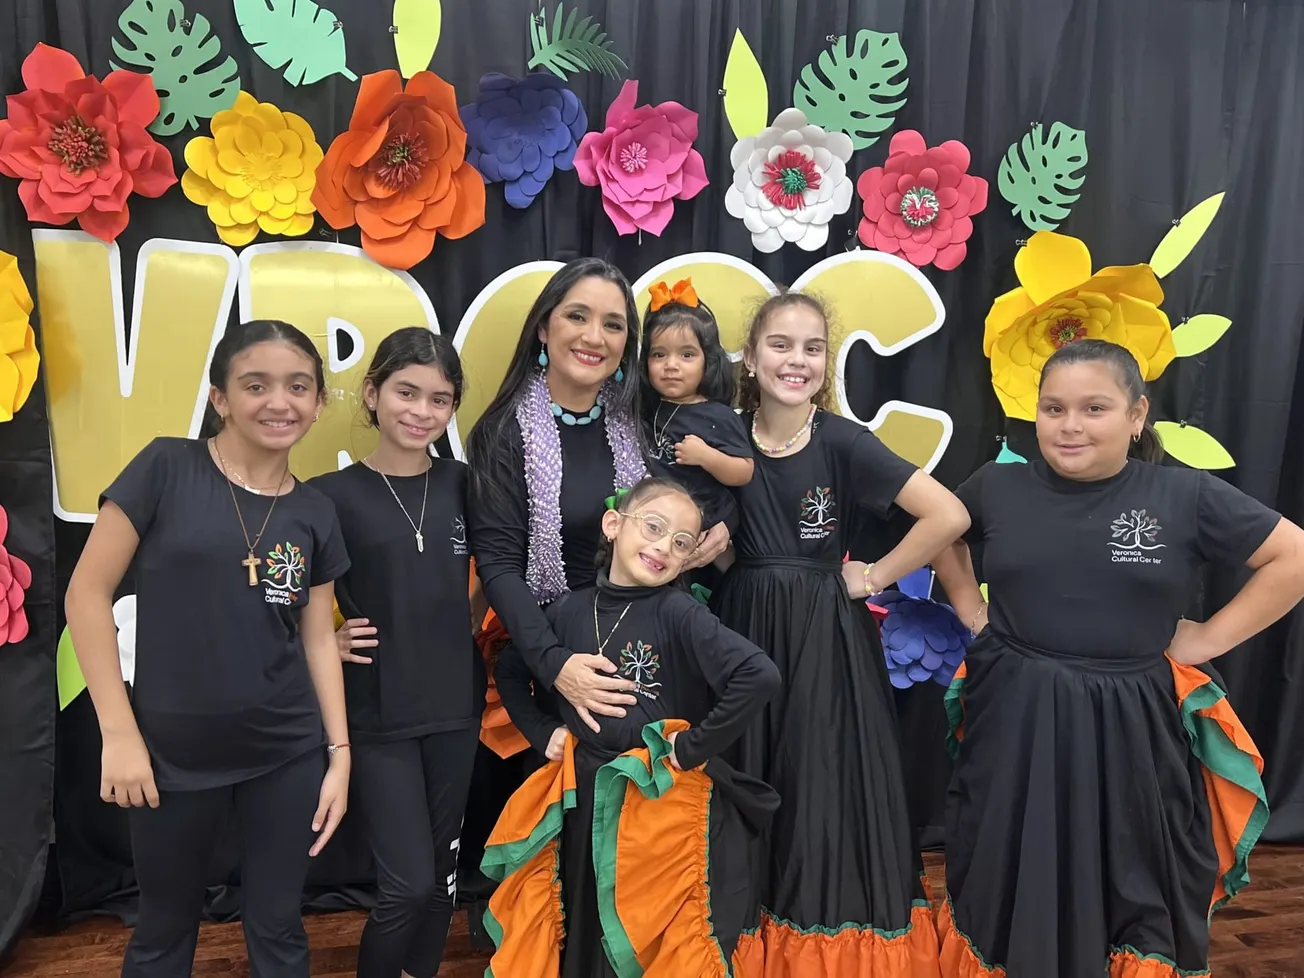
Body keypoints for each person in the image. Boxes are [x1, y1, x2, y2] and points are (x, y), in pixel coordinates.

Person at [932, 339, 1304, 978]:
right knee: (1001, 857)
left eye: (1094, 408)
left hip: (1131, 721)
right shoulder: (997, 484)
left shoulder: (1184, 495)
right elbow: (940, 530)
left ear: (1137, 416)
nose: (1070, 425)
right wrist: (969, 606)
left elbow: (1292, 555)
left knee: (1129, 869)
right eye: (1054, 409)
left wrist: (1210, 637)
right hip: (1015, 711)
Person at [64, 320, 352, 978]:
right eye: (257, 385)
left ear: (315, 402)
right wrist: (119, 734)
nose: (280, 401)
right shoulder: (167, 466)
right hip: (170, 755)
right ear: (220, 398)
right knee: (164, 933)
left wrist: (339, 754)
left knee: (279, 929)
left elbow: (315, 637)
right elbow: (86, 595)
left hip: (286, 752)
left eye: (299, 387)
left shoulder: (314, 512)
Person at [460, 259, 731, 908]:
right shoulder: (504, 431)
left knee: (633, 849)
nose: (595, 336)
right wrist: (557, 668)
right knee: (554, 858)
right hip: (545, 652)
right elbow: (497, 564)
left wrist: (718, 534)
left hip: (638, 647)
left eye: (614, 324)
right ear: (544, 330)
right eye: (578, 316)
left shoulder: (638, 421)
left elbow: (684, 504)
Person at [712, 290, 969, 974]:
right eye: (780, 344)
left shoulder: (843, 440)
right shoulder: (726, 434)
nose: (795, 360)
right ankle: (746, 929)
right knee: (747, 769)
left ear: (826, 365)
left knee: (816, 777)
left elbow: (946, 515)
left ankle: (814, 943)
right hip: (742, 623)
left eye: (812, 348)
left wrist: (876, 575)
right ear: (750, 354)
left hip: (824, 633)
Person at [481, 477, 781, 978]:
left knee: (637, 931)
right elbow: (511, 669)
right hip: (581, 799)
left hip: (651, 814)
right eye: (655, 528)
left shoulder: (680, 613)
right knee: (581, 918)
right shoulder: (567, 610)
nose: (664, 546)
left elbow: (758, 675)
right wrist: (542, 731)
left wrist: (689, 749)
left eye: (681, 543)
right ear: (614, 524)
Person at [308, 328, 484, 978]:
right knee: (406, 886)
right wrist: (326, 638)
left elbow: (500, 573)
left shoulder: (467, 483)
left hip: (455, 706)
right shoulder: (330, 495)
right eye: (407, 392)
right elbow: (288, 603)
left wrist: (473, 615)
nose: (421, 411)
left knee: (440, 880)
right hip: (377, 715)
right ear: (374, 393)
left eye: (440, 399)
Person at [638, 276, 753, 536]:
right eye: (659, 354)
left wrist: (706, 456)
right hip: (657, 523)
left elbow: (744, 470)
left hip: (706, 523)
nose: (671, 365)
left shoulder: (718, 415)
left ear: (708, 361)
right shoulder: (645, 408)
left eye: (687, 355)